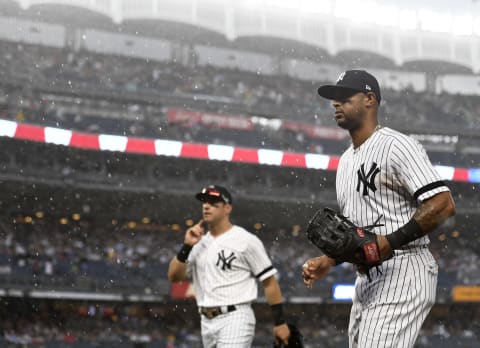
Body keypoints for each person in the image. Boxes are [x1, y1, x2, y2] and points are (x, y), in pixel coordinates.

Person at [302, 70, 456, 348]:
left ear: (370, 99)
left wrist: (390, 241)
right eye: (333, 98)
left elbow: (443, 203)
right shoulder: (346, 161)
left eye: (344, 97)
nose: (335, 103)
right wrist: (329, 260)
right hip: (367, 279)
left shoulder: (397, 145)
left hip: (404, 267)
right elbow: (356, 234)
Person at [168, 185, 290, 347]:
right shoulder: (197, 242)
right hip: (206, 320)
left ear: (227, 208)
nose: (206, 206)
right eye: (204, 202)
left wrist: (280, 322)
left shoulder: (245, 240)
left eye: (213, 202)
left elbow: (269, 281)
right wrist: (187, 246)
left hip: (235, 317)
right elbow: (174, 277)